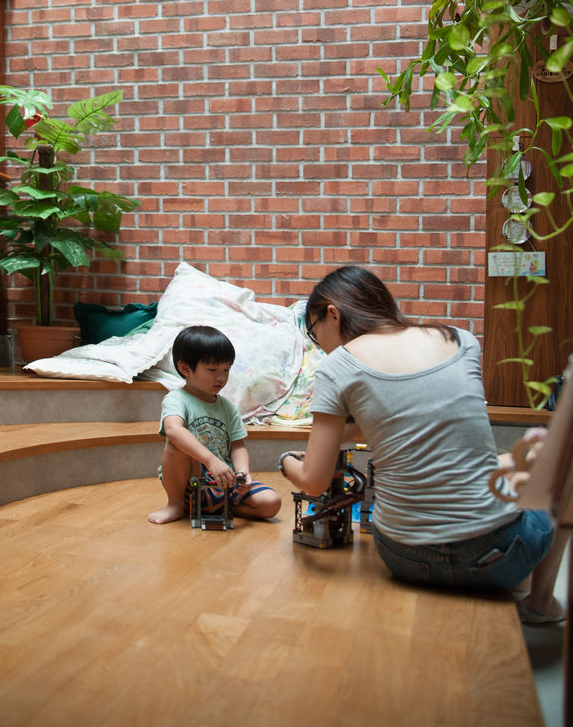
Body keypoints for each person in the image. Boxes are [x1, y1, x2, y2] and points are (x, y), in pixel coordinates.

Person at [278, 265, 567, 624]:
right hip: (500, 555)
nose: (317, 344)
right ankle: (540, 603)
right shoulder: (461, 340)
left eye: (313, 330)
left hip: (404, 558)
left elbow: (314, 481)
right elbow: (418, 421)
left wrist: (286, 461)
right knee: (555, 475)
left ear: (332, 313)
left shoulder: (337, 366)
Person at [148, 325, 282, 525]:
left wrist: (243, 473)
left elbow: (237, 446)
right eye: (212, 370)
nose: (221, 377)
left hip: (224, 482)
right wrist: (211, 460)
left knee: (272, 502)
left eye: (226, 369)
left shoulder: (226, 406)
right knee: (176, 445)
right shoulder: (177, 399)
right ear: (185, 368)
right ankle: (176, 505)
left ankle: (223, 508)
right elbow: (173, 429)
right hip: (189, 483)